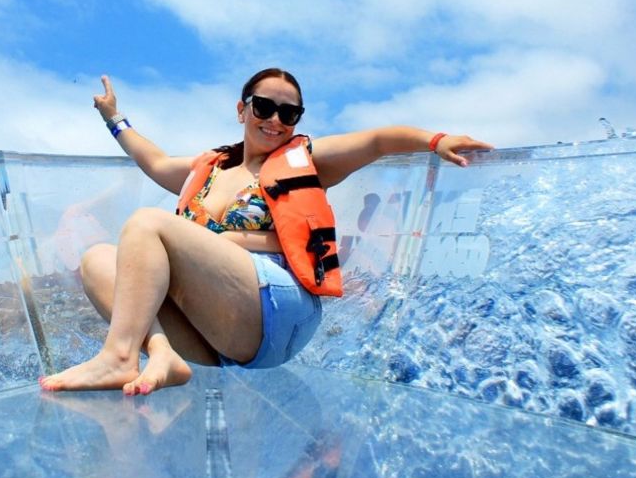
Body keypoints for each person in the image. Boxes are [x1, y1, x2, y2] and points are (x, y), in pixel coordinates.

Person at [39, 68, 493, 396]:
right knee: (98, 258)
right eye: (264, 106)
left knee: (145, 223)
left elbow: (376, 141)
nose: (275, 119)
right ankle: (162, 353)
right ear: (242, 109)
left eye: (289, 112)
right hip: (216, 326)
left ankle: (118, 358)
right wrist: (114, 119)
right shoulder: (210, 169)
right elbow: (155, 161)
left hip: (279, 311)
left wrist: (436, 141)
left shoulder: (307, 159)